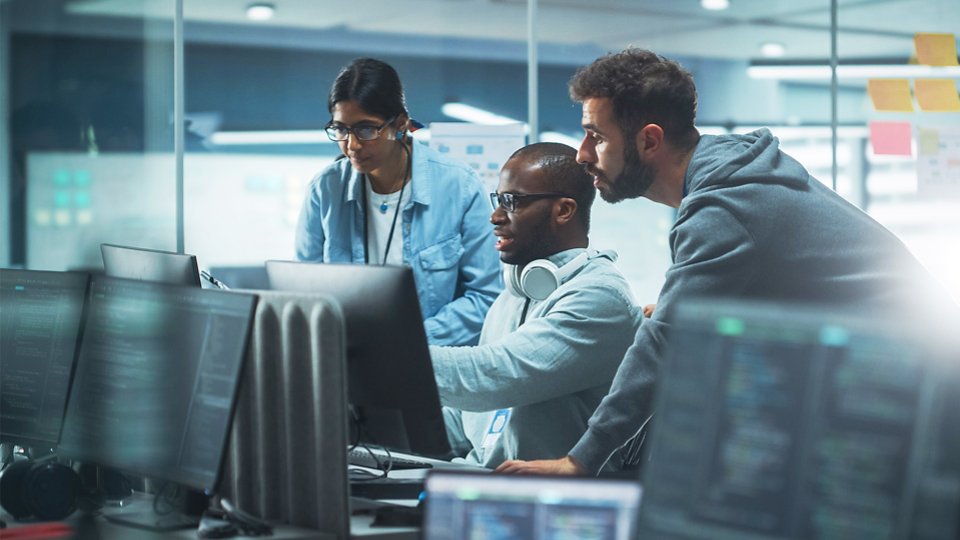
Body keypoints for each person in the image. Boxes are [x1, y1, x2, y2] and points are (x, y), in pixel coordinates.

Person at [496, 48, 957, 476]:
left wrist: (582, 460)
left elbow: (664, 347)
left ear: (649, 140)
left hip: (914, 414)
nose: (582, 155)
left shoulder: (724, 208)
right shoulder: (727, 178)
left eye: (595, 136)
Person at [430, 142, 642, 469]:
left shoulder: (600, 297)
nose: (496, 217)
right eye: (498, 200)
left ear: (563, 210)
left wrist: (395, 360)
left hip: (554, 504)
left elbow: (496, 375)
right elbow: (466, 421)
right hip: (480, 481)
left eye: (512, 202)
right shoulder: (513, 296)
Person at [295, 58, 501, 346]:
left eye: (366, 129)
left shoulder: (460, 186)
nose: (352, 145)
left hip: (430, 366)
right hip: (348, 365)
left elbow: (486, 297)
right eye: (341, 129)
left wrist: (408, 342)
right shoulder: (324, 190)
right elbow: (304, 293)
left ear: (401, 125)